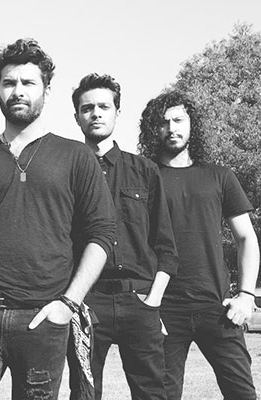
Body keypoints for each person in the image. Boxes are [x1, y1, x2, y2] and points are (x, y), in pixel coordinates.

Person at [0, 38, 116, 400]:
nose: (18, 91)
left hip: (45, 316)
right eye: (9, 83)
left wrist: (68, 304)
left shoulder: (76, 156)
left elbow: (102, 234)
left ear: (46, 91)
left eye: (28, 83)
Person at [138, 90, 259, 400]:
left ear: (192, 124)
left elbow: (246, 238)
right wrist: (145, 303)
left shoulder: (219, 176)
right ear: (153, 129)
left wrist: (246, 295)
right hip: (164, 310)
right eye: (163, 122)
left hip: (218, 307)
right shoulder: (143, 178)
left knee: (243, 394)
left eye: (178, 120)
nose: (171, 128)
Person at [70, 73, 178, 400]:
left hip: (140, 298)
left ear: (117, 112)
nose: (96, 113)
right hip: (87, 301)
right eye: (87, 108)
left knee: (152, 393)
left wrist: (153, 300)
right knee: (84, 393)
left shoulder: (145, 170)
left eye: (104, 106)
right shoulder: (66, 171)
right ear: (76, 116)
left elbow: (165, 245)